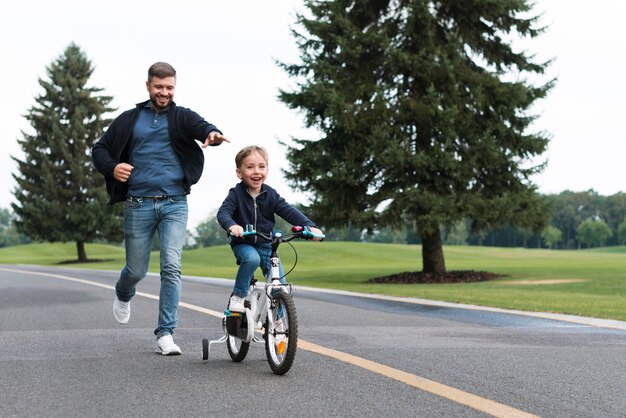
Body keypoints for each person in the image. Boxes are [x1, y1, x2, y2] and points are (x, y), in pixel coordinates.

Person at [92, 62, 229, 355]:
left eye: (169, 87)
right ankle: (123, 293)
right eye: (159, 87)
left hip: (174, 203)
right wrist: (113, 167)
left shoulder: (181, 117)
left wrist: (213, 134)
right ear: (148, 86)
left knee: (171, 265)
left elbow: (202, 127)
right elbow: (99, 149)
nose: (164, 92)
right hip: (138, 203)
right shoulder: (129, 119)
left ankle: (165, 334)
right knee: (136, 270)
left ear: (174, 87)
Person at [217, 145, 323, 312]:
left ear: (267, 170)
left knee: (279, 286)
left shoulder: (270, 194)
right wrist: (232, 225)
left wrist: (309, 226)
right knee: (252, 259)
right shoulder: (235, 194)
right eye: (250, 167)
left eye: (261, 166)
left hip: (267, 244)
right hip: (243, 242)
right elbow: (223, 213)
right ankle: (238, 296)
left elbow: (289, 211)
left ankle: (280, 323)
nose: (256, 171)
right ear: (239, 173)